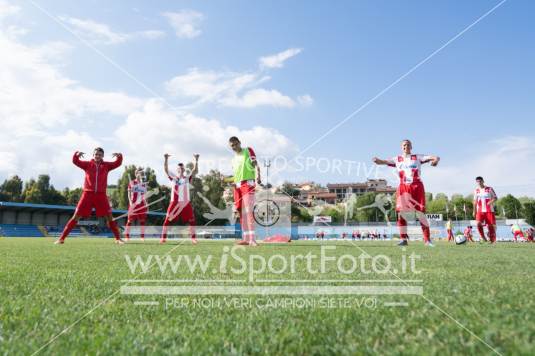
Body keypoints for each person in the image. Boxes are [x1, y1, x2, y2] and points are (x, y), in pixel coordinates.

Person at [373, 139, 440, 246]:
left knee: (421, 214)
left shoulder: (417, 157)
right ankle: (403, 239)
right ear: (401, 147)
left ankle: (427, 240)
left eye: (408, 145)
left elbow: (435, 157)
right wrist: (377, 160)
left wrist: (435, 160)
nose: (406, 146)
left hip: (417, 186)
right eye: (404, 145)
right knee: (401, 214)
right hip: (403, 187)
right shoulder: (397, 159)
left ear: (411, 147)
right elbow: (384, 162)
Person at [55, 148, 124, 244]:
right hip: (87, 194)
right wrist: (76, 155)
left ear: (102, 156)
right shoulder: (87, 165)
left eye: (100, 154)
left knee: (109, 217)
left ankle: (118, 239)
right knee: (76, 216)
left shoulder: (106, 166)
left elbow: (117, 163)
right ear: (93, 155)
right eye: (96, 154)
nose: (98, 156)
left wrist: (119, 157)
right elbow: (75, 161)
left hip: (101, 195)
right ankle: (61, 239)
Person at [224, 136, 261, 246]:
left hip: (248, 184)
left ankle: (253, 239)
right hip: (237, 187)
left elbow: (255, 164)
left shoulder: (248, 150)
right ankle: (245, 238)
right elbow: (236, 177)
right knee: (240, 212)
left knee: (248, 211)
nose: (234, 147)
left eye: (236, 144)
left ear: (239, 143)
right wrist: (225, 179)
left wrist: (258, 174)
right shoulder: (233, 159)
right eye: (232, 146)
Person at [160, 154, 199, 244]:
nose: (180, 169)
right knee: (167, 219)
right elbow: (165, 169)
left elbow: (195, 170)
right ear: (177, 170)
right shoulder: (173, 178)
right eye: (179, 168)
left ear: (184, 170)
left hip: (185, 203)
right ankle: (163, 238)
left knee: (192, 220)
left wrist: (196, 160)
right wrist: (166, 159)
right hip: (174, 202)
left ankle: (193, 238)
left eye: (182, 168)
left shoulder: (187, 178)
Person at [125, 168, 148, 241]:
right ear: (136, 174)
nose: (141, 174)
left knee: (142, 220)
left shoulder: (143, 184)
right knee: (129, 220)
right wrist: (130, 202)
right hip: (133, 204)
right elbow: (129, 193)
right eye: (139, 173)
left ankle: (142, 237)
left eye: (142, 173)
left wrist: (146, 203)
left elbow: (144, 195)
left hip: (141, 204)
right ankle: (127, 237)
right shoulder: (131, 182)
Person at [473, 177, 497, 243]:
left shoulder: (489, 189)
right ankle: (483, 238)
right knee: (478, 223)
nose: (479, 182)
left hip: (489, 210)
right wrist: (474, 211)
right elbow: (475, 201)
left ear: (483, 181)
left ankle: (492, 240)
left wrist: (491, 202)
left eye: (480, 181)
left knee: (490, 225)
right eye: (477, 181)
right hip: (480, 210)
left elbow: (495, 197)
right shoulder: (476, 190)